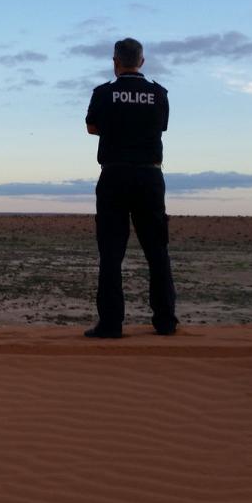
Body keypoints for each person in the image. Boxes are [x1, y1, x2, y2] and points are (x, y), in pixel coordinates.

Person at [84, 38, 179, 338]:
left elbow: (91, 127)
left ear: (115, 62)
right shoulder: (158, 93)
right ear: (142, 61)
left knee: (111, 253)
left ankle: (111, 324)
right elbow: (160, 125)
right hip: (149, 177)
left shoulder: (104, 93)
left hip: (113, 176)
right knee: (157, 251)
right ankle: (164, 321)